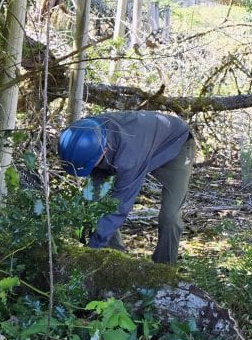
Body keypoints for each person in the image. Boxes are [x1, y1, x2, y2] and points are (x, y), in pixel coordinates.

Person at [58, 111, 195, 264]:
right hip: (140, 145)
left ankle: (165, 272)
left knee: (170, 216)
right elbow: (96, 192)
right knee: (98, 203)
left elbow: (120, 206)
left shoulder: (128, 157)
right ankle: (115, 261)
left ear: (103, 151)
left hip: (176, 145)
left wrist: (92, 248)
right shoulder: (85, 132)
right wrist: (90, 218)